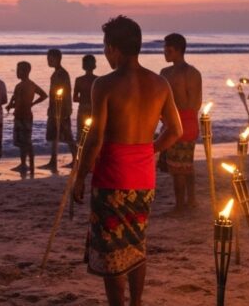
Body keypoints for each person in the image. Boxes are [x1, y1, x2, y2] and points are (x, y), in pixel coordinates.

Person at [73, 16, 182, 306]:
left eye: (106, 48)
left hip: (111, 177)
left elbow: (95, 139)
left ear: (113, 49)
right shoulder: (159, 83)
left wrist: (80, 175)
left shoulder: (104, 84)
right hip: (143, 176)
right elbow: (176, 130)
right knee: (135, 243)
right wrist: (151, 149)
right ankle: (135, 302)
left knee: (111, 250)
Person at [160, 33, 202, 213]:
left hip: (179, 121)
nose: (164, 53)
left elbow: (164, 101)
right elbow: (196, 103)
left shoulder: (171, 73)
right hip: (188, 120)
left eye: (168, 50)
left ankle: (180, 205)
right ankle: (191, 200)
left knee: (178, 168)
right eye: (164, 49)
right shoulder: (193, 73)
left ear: (178, 51)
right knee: (187, 164)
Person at [7, 61, 46, 176]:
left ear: (26, 71)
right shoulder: (27, 85)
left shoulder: (23, 85)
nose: (17, 72)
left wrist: (32, 104)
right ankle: (24, 163)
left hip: (24, 116)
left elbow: (43, 95)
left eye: (19, 70)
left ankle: (28, 164)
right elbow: (17, 100)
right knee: (22, 142)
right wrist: (11, 105)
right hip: (21, 115)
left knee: (26, 142)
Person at [42, 48, 76, 170]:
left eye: (50, 58)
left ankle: (76, 159)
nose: (48, 61)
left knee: (67, 136)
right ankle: (53, 161)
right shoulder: (56, 73)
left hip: (61, 109)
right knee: (54, 136)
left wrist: (65, 110)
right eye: (48, 58)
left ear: (57, 59)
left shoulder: (61, 74)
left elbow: (65, 93)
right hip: (55, 109)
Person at [73, 54, 98, 137]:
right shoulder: (98, 80)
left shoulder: (79, 80)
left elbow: (75, 98)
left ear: (83, 66)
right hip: (94, 109)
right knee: (93, 134)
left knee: (81, 134)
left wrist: (84, 99)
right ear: (94, 65)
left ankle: (82, 150)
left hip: (83, 108)